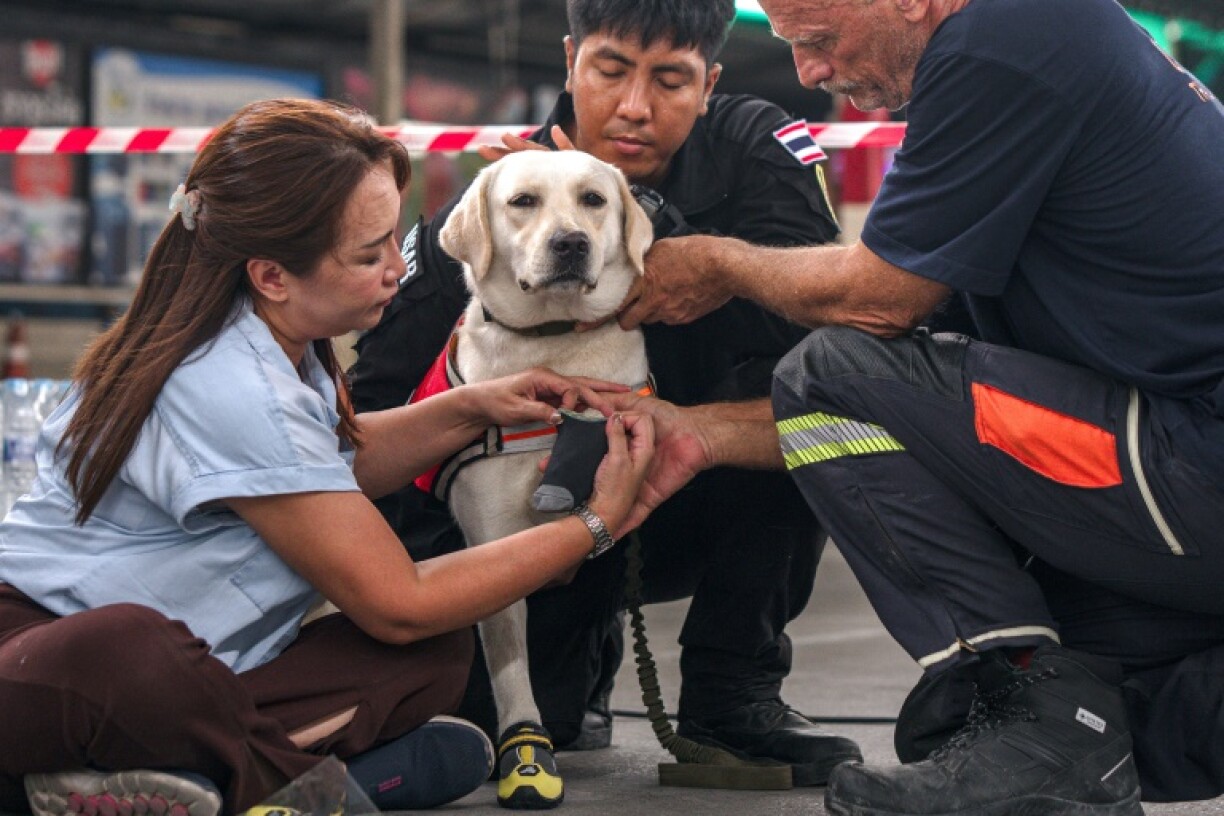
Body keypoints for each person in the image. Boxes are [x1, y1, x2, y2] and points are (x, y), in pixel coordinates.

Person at [601, 0, 1224, 813]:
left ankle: (1055, 738)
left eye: (818, 40)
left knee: (825, 370)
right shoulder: (1037, 50)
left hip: (1193, 459)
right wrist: (698, 434)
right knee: (988, 720)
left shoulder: (1006, 36)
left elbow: (879, 304)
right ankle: (1076, 740)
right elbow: (912, 393)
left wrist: (721, 265)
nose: (809, 73)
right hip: (1179, 461)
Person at [0, 98, 654, 816]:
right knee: (132, 650)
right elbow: (398, 601)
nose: (394, 272)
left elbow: (322, 473)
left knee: (434, 654)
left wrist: (474, 404)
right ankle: (307, 791)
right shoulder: (225, 378)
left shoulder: (284, 346)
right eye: (369, 254)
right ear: (274, 275)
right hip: (46, 662)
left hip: (210, 671)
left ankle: (160, 784)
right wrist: (594, 524)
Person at [348, 0, 866, 785]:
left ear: (709, 83)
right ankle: (573, 665)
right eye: (611, 70)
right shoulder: (497, 194)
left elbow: (822, 324)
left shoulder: (750, 152)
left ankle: (734, 696)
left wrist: (697, 254)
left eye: (669, 80)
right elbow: (367, 417)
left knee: (814, 396)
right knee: (515, 726)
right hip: (511, 537)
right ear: (570, 62)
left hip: (688, 488)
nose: (634, 107)